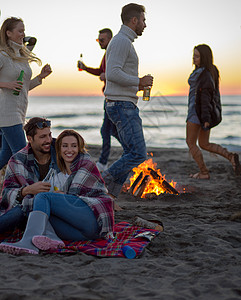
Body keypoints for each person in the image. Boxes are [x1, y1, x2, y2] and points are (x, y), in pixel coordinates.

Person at [0, 129, 114, 255]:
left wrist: (62, 197)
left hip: (93, 219)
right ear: (58, 149)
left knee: (43, 197)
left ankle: (27, 242)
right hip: (81, 233)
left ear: (79, 148)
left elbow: (78, 197)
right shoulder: (56, 174)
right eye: (64, 146)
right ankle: (53, 239)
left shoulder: (85, 163)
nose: (69, 150)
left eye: (74, 146)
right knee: (38, 211)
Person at [101, 3, 153, 202]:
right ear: (134, 20)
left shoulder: (123, 41)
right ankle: (101, 182)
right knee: (138, 154)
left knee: (131, 153)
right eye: (143, 20)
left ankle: (110, 198)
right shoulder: (122, 41)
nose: (145, 25)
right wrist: (138, 81)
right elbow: (112, 73)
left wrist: (137, 86)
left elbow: (117, 74)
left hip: (122, 104)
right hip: (122, 106)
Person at [0, 17, 52, 171]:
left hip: (20, 110)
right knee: (23, 154)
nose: (23, 34)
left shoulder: (21, 56)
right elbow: (12, 85)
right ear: (8, 33)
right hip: (7, 112)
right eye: (20, 31)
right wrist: (6, 84)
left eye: (24, 31)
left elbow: (23, 87)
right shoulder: (2, 55)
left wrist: (40, 77)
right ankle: (28, 190)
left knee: (7, 154)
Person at [186, 44, 241, 179]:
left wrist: (205, 119)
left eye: (197, 56)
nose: (194, 58)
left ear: (204, 57)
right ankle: (230, 156)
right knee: (204, 144)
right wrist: (206, 118)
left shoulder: (204, 74)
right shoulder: (207, 72)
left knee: (191, 142)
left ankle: (204, 172)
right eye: (193, 55)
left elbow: (205, 98)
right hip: (203, 114)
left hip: (196, 113)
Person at [0, 117, 59, 234]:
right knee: (16, 213)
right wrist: (26, 191)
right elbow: (6, 194)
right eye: (42, 137)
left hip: (58, 207)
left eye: (49, 135)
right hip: (27, 208)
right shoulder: (17, 159)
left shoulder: (61, 150)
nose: (48, 140)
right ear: (29, 139)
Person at [77, 28, 120, 172]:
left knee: (106, 130)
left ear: (110, 39)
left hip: (113, 97)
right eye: (98, 40)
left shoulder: (113, 53)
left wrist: (106, 76)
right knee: (112, 130)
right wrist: (85, 68)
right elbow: (100, 72)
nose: (99, 43)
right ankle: (132, 149)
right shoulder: (106, 54)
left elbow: (117, 72)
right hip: (109, 97)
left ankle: (103, 162)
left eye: (102, 40)